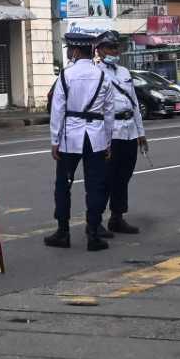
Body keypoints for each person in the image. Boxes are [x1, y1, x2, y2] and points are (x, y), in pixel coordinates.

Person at [46, 28, 115, 251]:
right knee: (95, 185)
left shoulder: (66, 75)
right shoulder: (102, 75)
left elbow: (58, 110)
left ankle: (63, 233)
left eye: (69, 50)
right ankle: (93, 234)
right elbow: (109, 111)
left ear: (75, 50)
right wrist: (108, 141)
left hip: (70, 138)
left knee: (63, 185)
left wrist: (54, 140)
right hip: (95, 137)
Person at [96, 30, 144, 234]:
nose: (114, 50)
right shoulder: (95, 72)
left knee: (123, 177)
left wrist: (141, 133)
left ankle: (117, 217)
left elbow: (134, 103)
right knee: (105, 178)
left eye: (116, 47)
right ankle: (95, 221)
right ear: (99, 50)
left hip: (129, 130)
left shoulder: (124, 72)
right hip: (109, 133)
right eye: (110, 47)